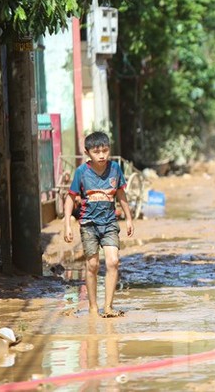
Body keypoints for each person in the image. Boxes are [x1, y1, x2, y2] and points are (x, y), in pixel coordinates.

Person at [64, 131, 134, 317]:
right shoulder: (81, 172)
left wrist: (128, 218)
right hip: (88, 224)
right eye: (97, 152)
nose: (102, 155)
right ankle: (93, 307)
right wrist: (67, 225)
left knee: (113, 261)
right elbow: (70, 198)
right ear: (87, 153)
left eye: (105, 150)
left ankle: (108, 306)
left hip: (110, 222)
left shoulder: (115, 169)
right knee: (93, 265)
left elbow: (121, 194)